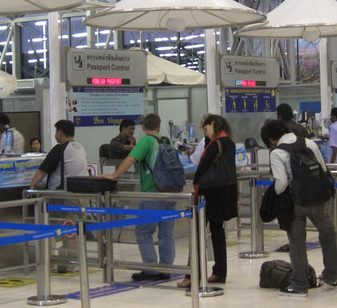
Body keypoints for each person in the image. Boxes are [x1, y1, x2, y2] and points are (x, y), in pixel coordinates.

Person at [260, 119, 337, 296]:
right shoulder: (308, 143)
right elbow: (322, 168)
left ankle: (299, 284)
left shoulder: (277, 153)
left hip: (294, 203)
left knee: (297, 241)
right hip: (316, 200)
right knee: (328, 233)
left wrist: (271, 193)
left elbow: (281, 183)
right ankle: (332, 275)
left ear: (271, 139)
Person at [105, 114, 178, 282]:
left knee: (143, 232)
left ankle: (151, 270)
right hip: (171, 192)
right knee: (166, 233)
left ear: (144, 127)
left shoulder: (146, 141)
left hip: (153, 192)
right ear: (159, 127)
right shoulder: (167, 140)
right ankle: (166, 268)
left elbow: (131, 159)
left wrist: (114, 175)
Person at [179, 114, 238, 287]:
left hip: (209, 193)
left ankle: (191, 274)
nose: (205, 132)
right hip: (224, 191)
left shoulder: (215, 144)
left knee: (197, 232)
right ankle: (220, 272)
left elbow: (202, 167)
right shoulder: (230, 143)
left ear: (214, 125)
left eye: (206, 128)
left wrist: (195, 182)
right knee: (217, 231)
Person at [29, 119, 89, 191]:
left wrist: (33, 185)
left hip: (61, 194)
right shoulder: (80, 147)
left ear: (59, 133)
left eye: (56, 131)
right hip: (81, 191)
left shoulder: (59, 149)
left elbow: (42, 171)